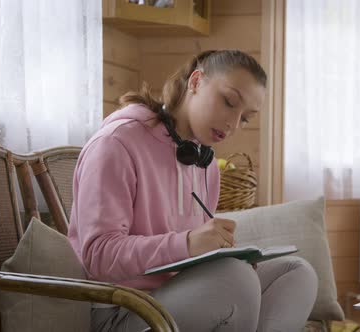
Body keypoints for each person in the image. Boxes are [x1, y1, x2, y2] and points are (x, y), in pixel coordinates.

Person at [68, 50, 318, 332]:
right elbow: (98, 255)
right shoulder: (116, 143)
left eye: (245, 117)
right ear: (196, 82)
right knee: (236, 280)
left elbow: (191, 258)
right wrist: (186, 244)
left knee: (296, 273)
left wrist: (220, 256)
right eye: (229, 102)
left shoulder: (203, 162)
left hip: (176, 295)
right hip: (121, 310)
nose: (233, 124)